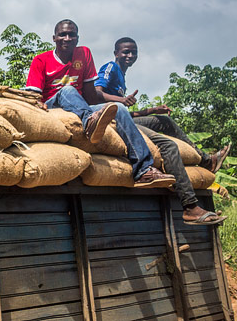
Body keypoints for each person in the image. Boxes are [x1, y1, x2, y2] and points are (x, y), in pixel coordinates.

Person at [95, 37, 229, 225]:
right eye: (125, 52)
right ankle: (190, 207)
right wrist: (120, 100)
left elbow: (126, 113)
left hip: (123, 118)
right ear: (116, 53)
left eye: (134, 52)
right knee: (168, 145)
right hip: (112, 122)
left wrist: (152, 110)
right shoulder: (110, 67)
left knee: (164, 121)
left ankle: (207, 160)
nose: (130, 55)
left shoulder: (122, 77)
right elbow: (96, 93)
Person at [25, 19, 175, 187]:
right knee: (68, 90)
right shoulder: (41, 60)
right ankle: (90, 122)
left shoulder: (84, 53)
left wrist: (105, 110)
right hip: (53, 106)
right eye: (63, 35)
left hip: (79, 106)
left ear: (77, 38)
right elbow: (33, 97)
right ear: (54, 38)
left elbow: (90, 94)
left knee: (118, 108)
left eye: (72, 35)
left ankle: (143, 170)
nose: (67, 38)